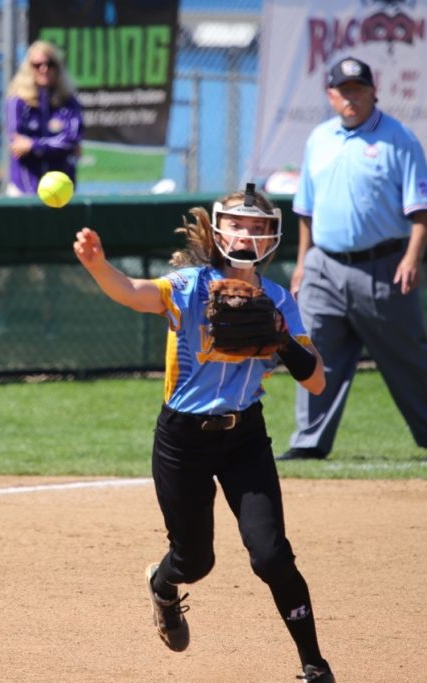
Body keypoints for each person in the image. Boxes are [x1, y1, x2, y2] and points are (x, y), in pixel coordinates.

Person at [72, 185, 336, 683]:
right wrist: (97, 266)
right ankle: (162, 584)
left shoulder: (278, 299)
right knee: (195, 560)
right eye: (237, 223)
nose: (246, 233)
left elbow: (317, 379)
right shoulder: (189, 286)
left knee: (272, 556)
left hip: (244, 438)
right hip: (182, 440)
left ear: (272, 236)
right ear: (218, 230)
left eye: (257, 226)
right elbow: (133, 293)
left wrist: (280, 336)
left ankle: (315, 666)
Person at [281, 56, 427, 463]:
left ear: (373, 91)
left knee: (408, 356)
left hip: (382, 266)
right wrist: (301, 263)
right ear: (331, 96)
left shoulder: (399, 139)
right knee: (313, 353)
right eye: (344, 90)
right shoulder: (319, 139)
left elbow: (424, 210)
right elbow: (306, 211)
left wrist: (412, 257)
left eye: (359, 89)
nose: (352, 97)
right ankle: (310, 441)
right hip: (323, 266)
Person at [5, 40, 83, 196]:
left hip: (62, 190)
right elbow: (18, 143)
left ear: (58, 67)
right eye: (37, 65)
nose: (44, 69)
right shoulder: (17, 101)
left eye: (50, 64)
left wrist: (33, 145)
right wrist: (55, 146)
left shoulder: (69, 102)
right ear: (29, 68)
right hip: (24, 189)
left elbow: (71, 140)